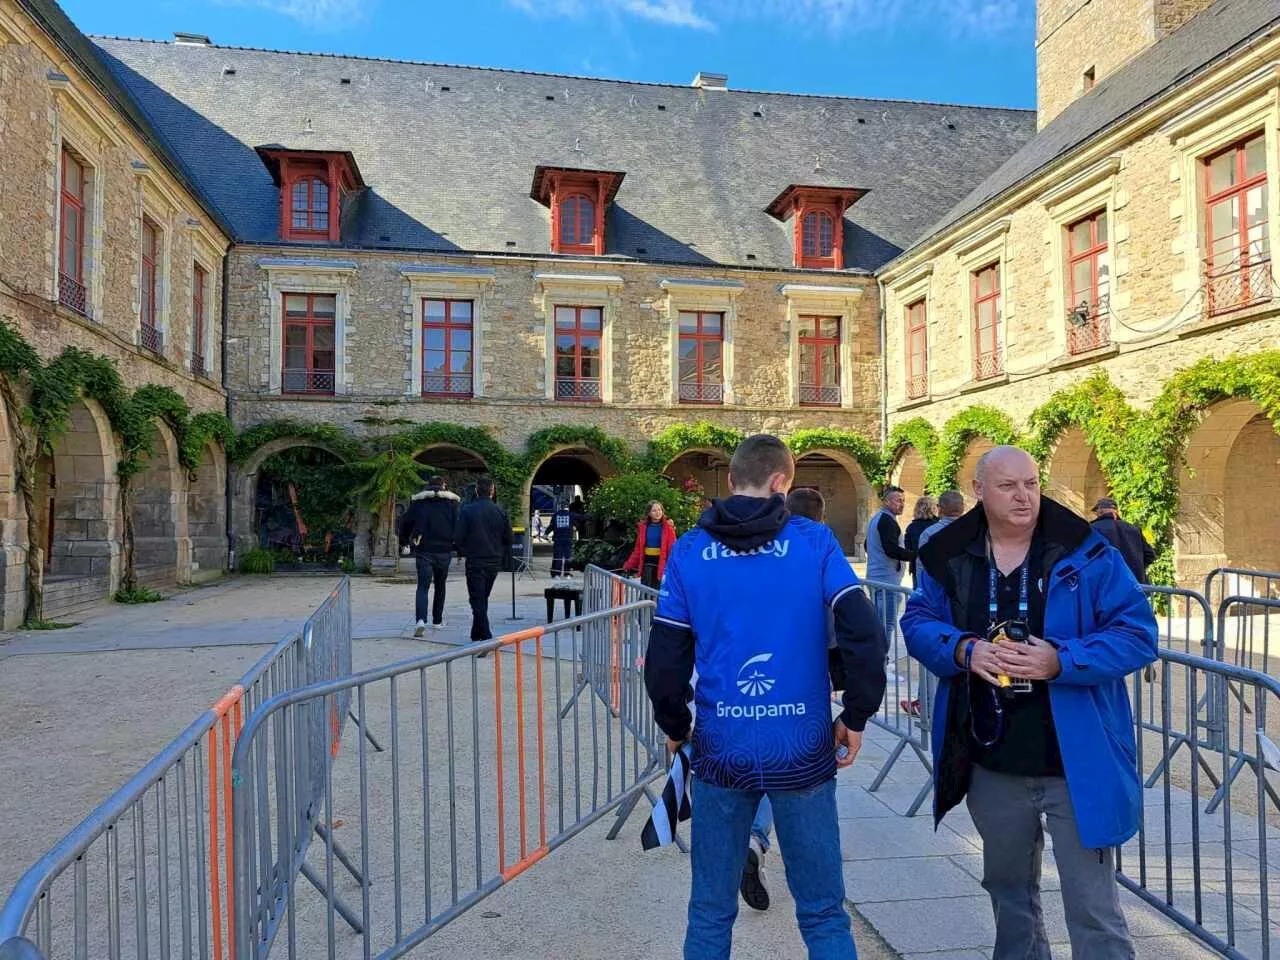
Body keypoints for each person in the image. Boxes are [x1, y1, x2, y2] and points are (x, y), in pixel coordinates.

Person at [901, 446, 1157, 960]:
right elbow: (918, 620)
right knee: (1009, 896)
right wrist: (962, 649)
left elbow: (1137, 633)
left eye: (1032, 484)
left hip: (1076, 762)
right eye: (1008, 486)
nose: (1024, 497)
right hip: (992, 759)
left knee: (1093, 907)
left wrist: (1061, 661)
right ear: (979, 491)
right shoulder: (947, 553)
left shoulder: (1086, 551)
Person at [645, 433, 887, 959]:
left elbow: (664, 660)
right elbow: (864, 632)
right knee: (824, 913)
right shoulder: (815, 542)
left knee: (709, 912)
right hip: (801, 746)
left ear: (732, 480)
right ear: (783, 482)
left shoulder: (688, 549)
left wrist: (674, 724)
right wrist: (858, 712)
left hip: (721, 746)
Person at [903, 490, 966, 717]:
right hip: (965, 606)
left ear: (940, 508)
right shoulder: (972, 532)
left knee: (933, 653)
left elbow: (923, 569)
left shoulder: (930, 534)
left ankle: (926, 702)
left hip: (936, 603)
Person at [396, 475, 460, 637]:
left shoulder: (418, 503)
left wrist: (404, 542)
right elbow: (459, 525)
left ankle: (420, 620)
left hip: (424, 550)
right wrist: (459, 548)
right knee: (440, 586)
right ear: (443, 485)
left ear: (428, 486)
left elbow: (405, 523)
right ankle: (437, 621)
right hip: (445, 550)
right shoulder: (452, 504)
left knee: (422, 587)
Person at [453, 475, 512, 647]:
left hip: (476, 560)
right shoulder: (500, 511)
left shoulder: (468, 510)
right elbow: (509, 538)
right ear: (492, 491)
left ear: (477, 491)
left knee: (477, 599)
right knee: (482, 597)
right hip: (493, 560)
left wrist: (465, 550)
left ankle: (486, 636)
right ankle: (476, 632)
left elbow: (457, 538)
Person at [865, 485, 914, 627]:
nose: (902, 504)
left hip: (877, 577)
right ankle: (881, 650)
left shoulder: (878, 519)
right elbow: (891, 549)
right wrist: (916, 556)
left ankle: (878, 649)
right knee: (887, 622)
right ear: (886, 502)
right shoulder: (886, 521)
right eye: (898, 500)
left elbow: (867, 545)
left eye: (903, 500)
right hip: (886, 581)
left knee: (880, 622)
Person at [1091, 496, 1156, 584]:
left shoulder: (1093, 529)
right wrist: (1136, 567)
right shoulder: (1134, 529)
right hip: (1134, 586)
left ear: (1100, 511)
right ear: (1116, 511)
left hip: (1106, 586)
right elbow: (1150, 555)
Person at [622, 500, 678, 588]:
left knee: (657, 594)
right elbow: (638, 550)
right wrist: (628, 565)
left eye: (659, 510)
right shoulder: (643, 527)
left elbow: (673, 550)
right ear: (649, 513)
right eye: (654, 511)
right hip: (647, 565)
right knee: (645, 592)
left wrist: (674, 568)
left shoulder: (668, 528)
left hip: (661, 566)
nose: (658, 513)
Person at [904, 495, 938, 587]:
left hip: (917, 568)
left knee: (919, 596)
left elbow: (908, 549)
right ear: (933, 508)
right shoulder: (938, 525)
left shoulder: (911, 527)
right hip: (936, 568)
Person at [550, 501, 575, 578]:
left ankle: (556, 574)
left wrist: (546, 533)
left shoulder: (555, 515)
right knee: (568, 557)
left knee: (558, 557)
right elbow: (581, 517)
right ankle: (567, 574)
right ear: (567, 507)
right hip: (568, 539)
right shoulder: (571, 515)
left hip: (558, 539)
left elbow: (551, 526)